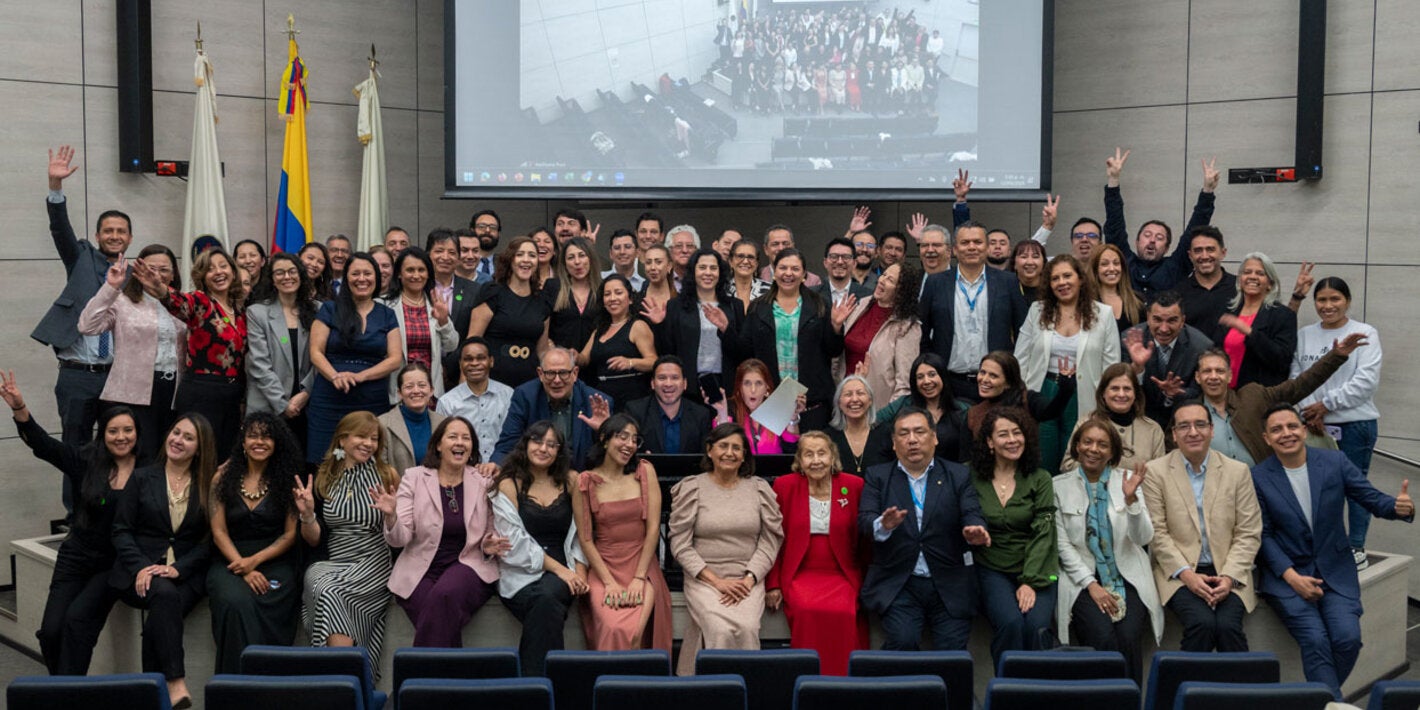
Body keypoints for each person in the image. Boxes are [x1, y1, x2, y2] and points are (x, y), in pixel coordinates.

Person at [1251, 404, 1413, 696]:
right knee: (1314, 640)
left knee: (1347, 638)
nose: (1286, 434)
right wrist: (1291, 577)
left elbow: (1371, 498)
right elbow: (1264, 536)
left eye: (1291, 426)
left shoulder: (1335, 461)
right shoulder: (1258, 477)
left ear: (1303, 429)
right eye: (1277, 429)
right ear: (1266, 438)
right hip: (1288, 577)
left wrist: (1398, 508)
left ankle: (1320, 701)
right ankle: (1330, 704)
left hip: (1335, 572)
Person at [4, 371, 135, 675]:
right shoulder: (86, 460)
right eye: (113, 431)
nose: (121, 437)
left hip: (112, 564)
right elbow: (43, 445)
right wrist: (19, 408)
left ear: (136, 433)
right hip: (76, 557)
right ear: (103, 434)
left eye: (128, 430)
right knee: (50, 632)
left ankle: (67, 694)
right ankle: (65, 688)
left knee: (77, 625)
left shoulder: (148, 472)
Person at [859, 407, 991, 651]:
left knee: (952, 650)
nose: (912, 440)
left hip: (949, 580)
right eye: (904, 433)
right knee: (902, 641)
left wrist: (975, 529)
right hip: (900, 581)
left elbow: (971, 511)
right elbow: (865, 519)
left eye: (919, 432)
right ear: (893, 442)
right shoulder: (877, 476)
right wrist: (882, 525)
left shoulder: (957, 474)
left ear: (935, 437)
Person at [111, 414, 218, 708]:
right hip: (139, 574)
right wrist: (142, 566)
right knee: (163, 594)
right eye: (175, 432)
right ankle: (174, 682)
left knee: (162, 610)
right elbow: (121, 531)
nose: (177, 440)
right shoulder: (143, 477)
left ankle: (153, 697)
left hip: (186, 574)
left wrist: (178, 568)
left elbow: (211, 540)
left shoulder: (208, 485)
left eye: (188, 437)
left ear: (200, 447)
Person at [1140, 401, 1261, 653]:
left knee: (1228, 626)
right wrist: (1187, 575)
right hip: (1178, 572)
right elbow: (1157, 533)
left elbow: (1248, 532)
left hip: (1229, 568)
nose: (1193, 432)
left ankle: (1243, 691)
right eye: (1183, 426)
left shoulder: (1237, 471)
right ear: (1173, 434)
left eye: (1200, 424)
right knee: (1201, 623)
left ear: (1212, 430)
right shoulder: (1156, 472)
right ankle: (1188, 691)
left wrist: (1229, 577)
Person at [34, 146, 129, 463]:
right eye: (108, 231)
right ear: (98, 235)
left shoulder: (136, 274)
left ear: (129, 238)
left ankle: (110, 509)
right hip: (77, 376)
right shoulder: (81, 259)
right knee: (74, 453)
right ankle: (76, 513)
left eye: (121, 231)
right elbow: (60, 229)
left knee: (118, 450)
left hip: (117, 375)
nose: (114, 236)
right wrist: (55, 187)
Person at [373, 416, 501, 647]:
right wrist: (391, 515)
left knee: (444, 595)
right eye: (452, 437)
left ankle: (418, 679)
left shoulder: (483, 481)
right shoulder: (414, 477)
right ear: (439, 445)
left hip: (467, 564)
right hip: (420, 567)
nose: (460, 442)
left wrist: (489, 544)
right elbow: (399, 540)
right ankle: (449, 680)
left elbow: (491, 530)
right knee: (437, 616)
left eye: (466, 438)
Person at [670, 423, 784, 674]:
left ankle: (744, 690)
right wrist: (716, 582)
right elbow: (680, 543)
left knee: (746, 628)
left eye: (736, 448)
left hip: (747, 580)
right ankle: (717, 692)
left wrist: (750, 577)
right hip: (705, 579)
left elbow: (770, 540)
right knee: (718, 628)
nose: (729, 453)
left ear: (744, 455)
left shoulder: (759, 489)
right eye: (723, 446)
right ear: (710, 450)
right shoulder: (693, 488)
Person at [1052, 419, 1160, 683]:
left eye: (1103, 444)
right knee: (1101, 636)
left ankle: (1130, 698)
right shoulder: (1058, 486)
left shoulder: (1127, 481)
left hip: (1126, 575)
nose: (1093, 449)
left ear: (1112, 452)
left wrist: (1132, 501)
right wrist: (1091, 585)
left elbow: (1144, 537)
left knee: (1128, 636)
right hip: (1083, 579)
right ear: (1077, 446)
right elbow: (1062, 545)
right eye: (1087, 442)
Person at [1291, 277, 1383, 568]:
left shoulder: (1364, 332)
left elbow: (1365, 382)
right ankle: (1325, 545)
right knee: (1318, 490)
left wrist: (1326, 406)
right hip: (1311, 426)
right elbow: (1295, 376)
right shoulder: (1305, 334)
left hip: (1354, 425)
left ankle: (1356, 546)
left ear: (1348, 301)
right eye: (1321, 300)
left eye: (1335, 299)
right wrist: (1308, 411)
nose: (1328, 306)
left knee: (1355, 488)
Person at [295, 411, 399, 664]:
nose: (368, 444)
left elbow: (400, 535)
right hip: (333, 560)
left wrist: (391, 515)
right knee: (319, 582)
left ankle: (337, 675)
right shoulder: (323, 476)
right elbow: (313, 540)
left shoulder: (388, 475)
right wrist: (308, 515)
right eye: (361, 436)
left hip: (373, 561)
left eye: (374, 439)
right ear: (342, 440)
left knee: (331, 592)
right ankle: (344, 675)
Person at [207, 412, 303, 673]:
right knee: (235, 602)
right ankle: (237, 685)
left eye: (267, 437)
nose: (259, 442)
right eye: (253, 436)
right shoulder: (221, 478)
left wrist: (255, 562)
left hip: (274, 560)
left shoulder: (289, 480)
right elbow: (219, 532)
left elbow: (290, 535)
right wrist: (244, 566)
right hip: (229, 560)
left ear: (276, 443)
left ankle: (270, 683)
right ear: (243, 441)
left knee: (272, 596)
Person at [490, 421, 588, 675]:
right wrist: (562, 573)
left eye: (551, 444)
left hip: (563, 564)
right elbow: (513, 541)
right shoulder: (508, 484)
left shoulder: (572, 481)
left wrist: (579, 573)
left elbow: (581, 533)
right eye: (537, 441)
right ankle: (548, 687)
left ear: (560, 450)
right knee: (544, 603)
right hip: (519, 570)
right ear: (526, 444)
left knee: (546, 600)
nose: (543, 448)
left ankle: (531, 689)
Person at [766, 431, 867, 675]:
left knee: (844, 611)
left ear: (833, 456)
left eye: (822, 453)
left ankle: (843, 682)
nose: (816, 460)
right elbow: (773, 538)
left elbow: (864, 541)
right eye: (808, 454)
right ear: (799, 461)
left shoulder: (853, 486)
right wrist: (773, 584)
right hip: (800, 572)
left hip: (842, 573)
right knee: (806, 610)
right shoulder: (785, 485)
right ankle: (809, 681)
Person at [132, 249, 247, 459]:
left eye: (223, 266)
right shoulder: (201, 301)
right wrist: (160, 288)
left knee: (226, 458)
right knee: (198, 458)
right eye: (210, 269)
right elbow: (178, 303)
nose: (218, 272)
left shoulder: (239, 310)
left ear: (233, 271)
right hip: (202, 391)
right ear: (202, 277)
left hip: (232, 395)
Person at [575, 415, 674, 652]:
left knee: (633, 633)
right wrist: (609, 583)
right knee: (612, 626)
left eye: (634, 439)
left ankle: (640, 687)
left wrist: (639, 578)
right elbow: (586, 538)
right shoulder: (585, 481)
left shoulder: (644, 471)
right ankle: (608, 686)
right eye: (622, 437)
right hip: (604, 567)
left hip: (642, 564)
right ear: (604, 440)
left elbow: (652, 529)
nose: (629, 444)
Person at [78, 246, 186, 461]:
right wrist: (111, 287)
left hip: (175, 393)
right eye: (151, 268)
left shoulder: (184, 305)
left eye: (164, 269)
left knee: (167, 457)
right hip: (132, 395)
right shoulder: (122, 302)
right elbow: (87, 326)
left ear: (174, 273)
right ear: (138, 271)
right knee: (137, 459)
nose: (157, 274)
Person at [969, 407, 1058, 664]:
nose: (1012, 440)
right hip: (991, 566)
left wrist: (1030, 581)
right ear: (989, 442)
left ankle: (1038, 691)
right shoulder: (971, 476)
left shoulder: (1040, 478)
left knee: (1037, 626)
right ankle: (1008, 691)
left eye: (1017, 433)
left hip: (1039, 568)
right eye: (1003, 434)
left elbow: (1044, 531)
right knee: (1011, 624)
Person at [1016, 254, 1120, 472]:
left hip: (1083, 394)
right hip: (1043, 392)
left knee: (1075, 455)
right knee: (1043, 456)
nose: (1061, 283)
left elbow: (1111, 366)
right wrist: (1023, 393)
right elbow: (1021, 357)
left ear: (1080, 279)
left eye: (1067, 276)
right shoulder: (1037, 310)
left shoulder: (1103, 313)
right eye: (1055, 279)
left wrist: (1104, 403)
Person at [736, 248, 852, 433]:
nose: (788, 273)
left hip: (812, 401)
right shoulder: (758, 307)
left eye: (795, 269)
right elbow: (746, 352)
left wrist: (836, 327)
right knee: (774, 458)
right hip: (770, 399)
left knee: (812, 455)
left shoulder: (820, 304)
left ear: (804, 274)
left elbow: (833, 350)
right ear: (774, 272)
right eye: (783, 268)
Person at [1195, 340, 1362, 466]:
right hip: (1214, 494)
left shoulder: (1253, 397)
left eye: (1220, 371)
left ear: (1230, 376)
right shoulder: (1190, 414)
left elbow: (1300, 386)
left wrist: (1336, 356)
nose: (1214, 377)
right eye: (1207, 371)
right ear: (1197, 377)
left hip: (1259, 488)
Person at [305, 253, 403, 463]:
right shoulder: (329, 309)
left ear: (376, 278)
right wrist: (335, 376)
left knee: (368, 460)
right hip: (330, 396)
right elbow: (315, 352)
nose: (362, 278)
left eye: (367, 273)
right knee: (325, 460)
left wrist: (361, 377)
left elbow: (395, 359)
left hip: (371, 398)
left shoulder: (387, 314)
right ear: (346, 278)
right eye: (355, 273)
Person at [919, 221, 1030, 403]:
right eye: (965, 243)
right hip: (948, 382)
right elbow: (922, 333)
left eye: (977, 242)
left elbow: (1023, 332)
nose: (971, 247)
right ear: (954, 249)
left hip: (997, 384)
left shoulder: (1008, 282)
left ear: (986, 247)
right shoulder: (936, 283)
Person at [1102, 148, 1220, 298]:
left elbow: (1194, 230)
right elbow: (1114, 226)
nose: (1152, 240)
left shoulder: (1175, 267)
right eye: (1147, 235)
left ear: (1166, 248)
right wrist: (1113, 181)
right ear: (1137, 242)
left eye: (1159, 238)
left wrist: (1208, 191)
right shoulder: (1123, 262)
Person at [640, 249, 737, 403]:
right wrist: (659, 325)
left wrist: (726, 329)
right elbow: (667, 350)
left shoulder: (734, 306)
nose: (708, 273)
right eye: (702, 267)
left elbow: (742, 350)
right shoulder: (676, 306)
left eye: (713, 268)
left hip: (725, 384)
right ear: (693, 272)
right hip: (688, 385)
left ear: (720, 272)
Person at [494, 348, 612, 471]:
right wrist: (496, 464)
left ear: (575, 373)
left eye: (563, 373)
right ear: (540, 374)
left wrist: (604, 431)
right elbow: (508, 443)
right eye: (550, 373)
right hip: (536, 476)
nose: (557, 380)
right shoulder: (526, 395)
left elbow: (609, 456)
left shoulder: (598, 402)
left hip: (580, 477)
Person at [244, 253, 318, 448]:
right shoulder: (257, 313)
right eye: (280, 273)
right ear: (272, 280)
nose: (287, 277)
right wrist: (283, 404)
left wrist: (305, 393)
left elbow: (322, 357)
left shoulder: (318, 310)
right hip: (269, 404)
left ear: (301, 276)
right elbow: (259, 364)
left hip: (308, 405)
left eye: (292, 271)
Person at [467, 236, 553, 388]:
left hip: (529, 384)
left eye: (532, 255)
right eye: (520, 254)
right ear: (510, 259)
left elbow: (542, 351)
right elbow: (472, 341)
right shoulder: (493, 292)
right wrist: (464, 382)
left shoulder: (543, 301)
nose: (526, 260)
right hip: (492, 382)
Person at [1122, 291, 1211, 426]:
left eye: (1172, 320)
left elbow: (1198, 392)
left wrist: (1174, 393)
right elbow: (1121, 387)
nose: (1163, 329)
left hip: (1179, 421)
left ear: (1182, 321)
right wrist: (1137, 367)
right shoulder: (1131, 340)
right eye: (1157, 319)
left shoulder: (1201, 347)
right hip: (1136, 418)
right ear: (1148, 317)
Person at [379, 246, 457, 400]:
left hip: (430, 391)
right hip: (398, 391)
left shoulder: (436, 304)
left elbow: (451, 346)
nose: (416, 275)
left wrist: (443, 320)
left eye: (421, 270)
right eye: (410, 270)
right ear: (399, 274)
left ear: (428, 274)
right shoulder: (383, 305)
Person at [841, 262, 922, 407]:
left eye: (890, 280)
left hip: (877, 410)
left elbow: (904, 384)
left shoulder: (907, 326)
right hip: (845, 400)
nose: (881, 281)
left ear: (901, 291)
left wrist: (886, 417)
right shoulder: (861, 305)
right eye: (883, 275)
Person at [1062, 363, 1167, 472]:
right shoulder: (1086, 423)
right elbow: (1067, 465)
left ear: (1135, 394)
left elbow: (1159, 475)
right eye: (1114, 388)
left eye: (1127, 389)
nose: (1121, 394)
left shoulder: (1152, 429)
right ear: (1103, 392)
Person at [1215, 252, 1296, 388]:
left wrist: (1249, 332)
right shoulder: (1228, 311)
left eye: (1260, 273)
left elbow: (1282, 360)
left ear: (1270, 283)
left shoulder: (1283, 315)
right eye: (1247, 272)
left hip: (1257, 397)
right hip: (1224, 393)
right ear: (1240, 279)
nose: (1252, 276)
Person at [577, 275, 656, 412]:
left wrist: (631, 362)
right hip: (603, 397)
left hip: (631, 398)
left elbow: (654, 361)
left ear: (630, 299)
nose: (612, 298)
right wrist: (571, 355)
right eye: (607, 294)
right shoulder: (599, 329)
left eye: (618, 293)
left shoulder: (637, 326)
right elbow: (584, 359)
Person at [876, 353, 971, 464]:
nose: (926, 381)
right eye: (920, 377)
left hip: (951, 475)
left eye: (932, 374)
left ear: (943, 376)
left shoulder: (962, 409)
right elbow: (873, 421)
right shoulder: (903, 404)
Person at [437, 337, 515, 466]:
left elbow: (513, 438)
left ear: (491, 361)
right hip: (462, 471)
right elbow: (443, 445)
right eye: (468, 359)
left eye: (481, 358)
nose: (474, 363)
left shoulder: (508, 395)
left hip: (502, 469)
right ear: (460, 363)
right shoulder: (447, 402)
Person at [711, 358, 804, 455]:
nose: (753, 390)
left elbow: (792, 450)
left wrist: (792, 416)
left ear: (767, 386)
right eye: (747, 383)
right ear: (740, 387)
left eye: (759, 383)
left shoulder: (777, 409)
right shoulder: (730, 408)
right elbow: (722, 447)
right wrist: (722, 412)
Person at [625, 356, 715, 455]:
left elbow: (706, 457)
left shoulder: (701, 414)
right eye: (662, 378)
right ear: (652, 383)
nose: (668, 384)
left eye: (675, 378)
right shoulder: (635, 411)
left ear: (684, 384)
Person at [379, 363, 448, 474]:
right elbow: (381, 470)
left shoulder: (444, 424)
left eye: (422, 385)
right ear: (399, 393)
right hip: (398, 490)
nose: (416, 391)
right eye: (409, 387)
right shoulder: (383, 424)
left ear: (431, 390)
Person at [1178, 226, 1235, 344]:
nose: (1204, 256)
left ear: (1223, 253)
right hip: (1193, 361)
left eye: (1210, 249)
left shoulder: (1240, 288)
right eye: (1198, 250)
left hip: (1235, 361)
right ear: (1190, 255)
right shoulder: (1178, 293)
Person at [828, 374, 891, 477]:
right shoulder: (828, 438)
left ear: (870, 400)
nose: (855, 399)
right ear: (839, 402)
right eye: (848, 394)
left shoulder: (887, 433)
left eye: (860, 393)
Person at [548, 237, 603, 351]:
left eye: (582, 255)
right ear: (564, 263)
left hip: (596, 362)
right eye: (571, 257)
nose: (577, 262)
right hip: (561, 364)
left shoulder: (603, 290)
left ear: (591, 258)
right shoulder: (553, 287)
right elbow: (542, 326)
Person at [1091, 244, 1145, 335]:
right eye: (1104, 264)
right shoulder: (1087, 302)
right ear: (1095, 269)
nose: (1112, 269)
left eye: (1116, 263)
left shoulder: (1137, 301)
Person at [812, 237, 872, 306]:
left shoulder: (868, 296)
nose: (840, 262)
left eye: (846, 257)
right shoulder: (811, 295)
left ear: (854, 263)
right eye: (834, 256)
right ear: (825, 262)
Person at [727, 239, 771, 313]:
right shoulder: (722, 289)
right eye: (740, 256)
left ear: (757, 263)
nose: (745, 261)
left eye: (750, 257)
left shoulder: (769, 290)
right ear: (731, 261)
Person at [665, 225, 700, 292]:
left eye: (689, 246)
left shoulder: (704, 280)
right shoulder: (660, 279)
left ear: (696, 250)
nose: (685, 250)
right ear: (669, 250)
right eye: (679, 246)